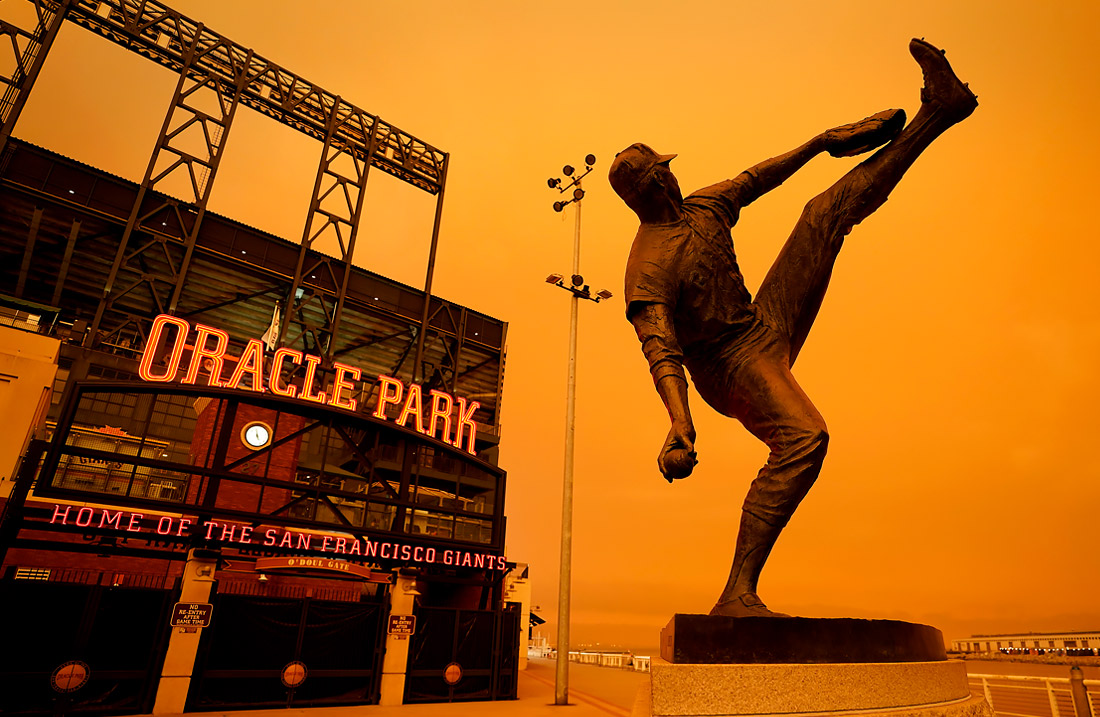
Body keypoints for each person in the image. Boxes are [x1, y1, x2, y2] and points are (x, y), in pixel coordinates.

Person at [609, 38, 976, 617]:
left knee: (822, 213)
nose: (674, 177)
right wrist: (680, 422)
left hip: (762, 320)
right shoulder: (648, 265)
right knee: (805, 437)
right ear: (654, 184)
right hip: (730, 368)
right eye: (665, 171)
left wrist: (822, 142)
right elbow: (661, 351)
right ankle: (738, 591)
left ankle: (940, 111)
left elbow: (757, 178)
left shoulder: (703, 206)